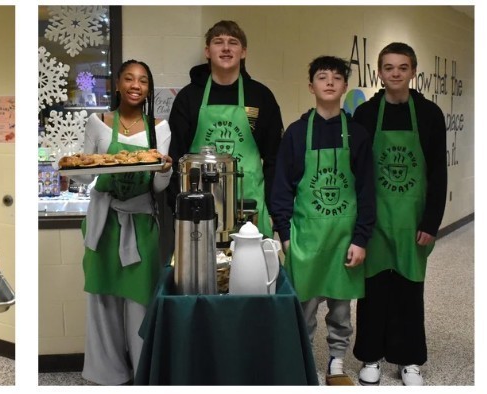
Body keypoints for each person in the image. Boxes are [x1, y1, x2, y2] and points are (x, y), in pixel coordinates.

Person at [271, 56, 376, 386]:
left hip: (345, 240)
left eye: (336, 78)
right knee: (302, 309)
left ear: (345, 87)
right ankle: (301, 361)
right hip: (305, 239)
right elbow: (282, 188)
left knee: (341, 311)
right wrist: (286, 235)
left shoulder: (357, 135)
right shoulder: (297, 133)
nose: (329, 82)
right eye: (322, 77)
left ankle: (336, 361)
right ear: (311, 86)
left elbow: (366, 191)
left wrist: (361, 238)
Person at [68, 60, 172, 385]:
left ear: (149, 89)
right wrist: (79, 163)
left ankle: (143, 373)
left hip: (141, 223)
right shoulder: (97, 123)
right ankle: (106, 374)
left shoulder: (160, 128)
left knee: (141, 302)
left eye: (142, 80)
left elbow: (157, 187)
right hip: (104, 220)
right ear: (117, 84)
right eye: (129, 78)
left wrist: (165, 170)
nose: (135, 85)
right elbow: (86, 175)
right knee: (102, 300)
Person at [352, 42, 447, 386]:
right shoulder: (364, 115)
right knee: (373, 288)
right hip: (373, 219)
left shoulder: (429, 114)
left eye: (402, 67)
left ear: (412, 72)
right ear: (379, 72)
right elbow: (357, 173)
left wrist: (431, 222)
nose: (395, 73)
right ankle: (369, 356)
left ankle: (409, 360)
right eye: (389, 67)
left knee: (409, 287)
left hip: (413, 219)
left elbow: (438, 172)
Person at [168, 20, 283, 238]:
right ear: (207, 52)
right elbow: (175, 158)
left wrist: (273, 209)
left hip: (251, 208)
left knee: (252, 270)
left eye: (233, 42)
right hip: (198, 211)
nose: (226, 48)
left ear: (244, 52)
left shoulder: (261, 96)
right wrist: (177, 206)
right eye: (218, 42)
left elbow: (275, 159)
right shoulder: (188, 98)